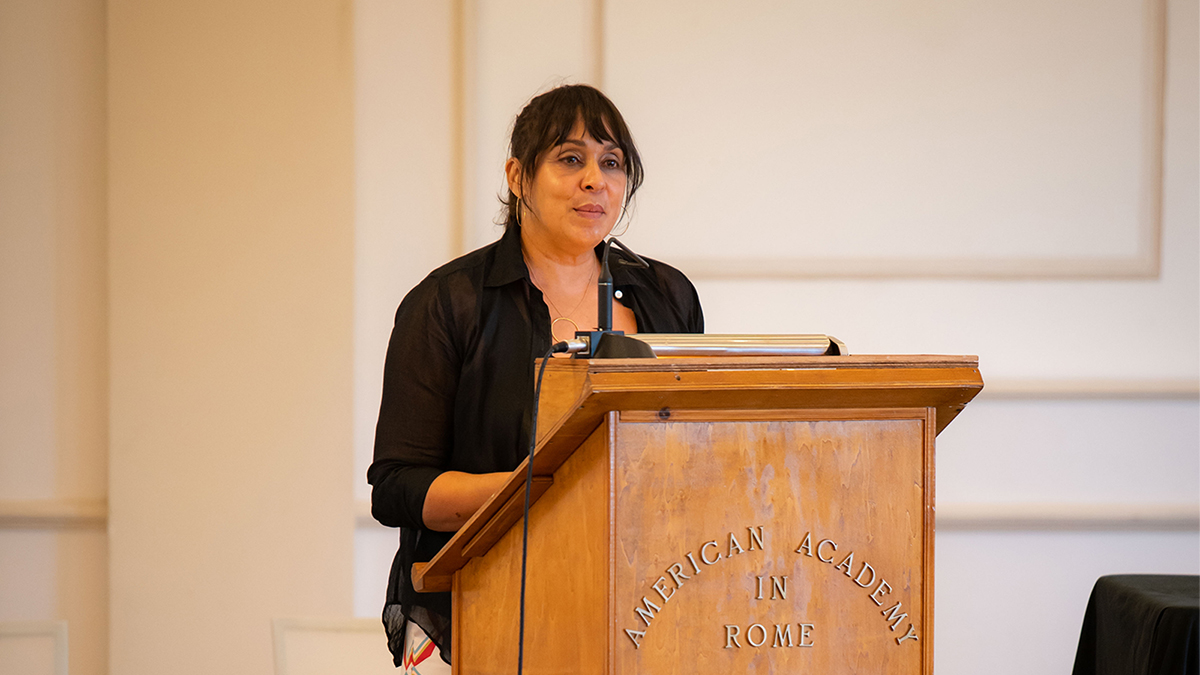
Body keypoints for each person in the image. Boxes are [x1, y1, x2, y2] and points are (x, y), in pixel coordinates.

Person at [367, 84, 704, 671]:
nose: (595, 180)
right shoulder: (449, 302)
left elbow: (696, 447)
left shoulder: (667, 295)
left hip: (647, 598)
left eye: (612, 162)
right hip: (490, 603)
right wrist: (540, 490)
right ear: (518, 177)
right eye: (570, 159)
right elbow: (398, 486)